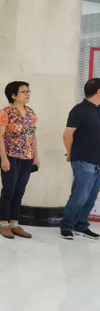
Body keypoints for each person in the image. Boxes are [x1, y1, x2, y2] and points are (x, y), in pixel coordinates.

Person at [0, 81, 39, 239]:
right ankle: (4, 224)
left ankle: (14, 224)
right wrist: (4, 158)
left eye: (28, 91)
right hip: (11, 157)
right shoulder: (5, 113)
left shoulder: (31, 113)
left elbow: (32, 136)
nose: (27, 94)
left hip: (27, 157)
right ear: (13, 95)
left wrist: (36, 157)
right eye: (23, 92)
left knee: (20, 191)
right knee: (9, 191)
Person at [60, 78, 100, 240]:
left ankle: (81, 225)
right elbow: (67, 135)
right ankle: (66, 226)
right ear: (99, 92)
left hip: (97, 160)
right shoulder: (79, 110)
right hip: (83, 160)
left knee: (91, 197)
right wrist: (71, 152)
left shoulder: (98, 109)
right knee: (80, 196)